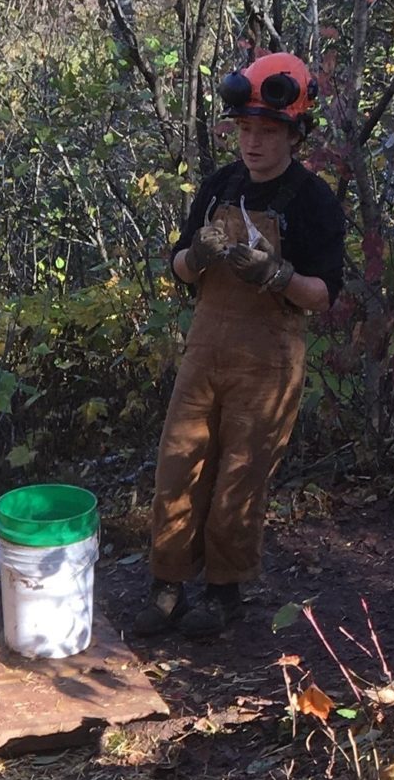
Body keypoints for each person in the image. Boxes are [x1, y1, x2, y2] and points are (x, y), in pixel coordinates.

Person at [131, 53, 347, 641]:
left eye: (267, 132)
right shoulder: (218, 186)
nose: (252, 143)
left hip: (269, 359)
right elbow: (177, 267)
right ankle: (168, 586)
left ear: (294, 135)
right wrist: (197, 256)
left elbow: (324, 293)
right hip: (205, 348)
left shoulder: (313, 201)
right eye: (245, 130)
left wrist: (276, 276)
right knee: (178, 464)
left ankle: (223, 592)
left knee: (241, 476)